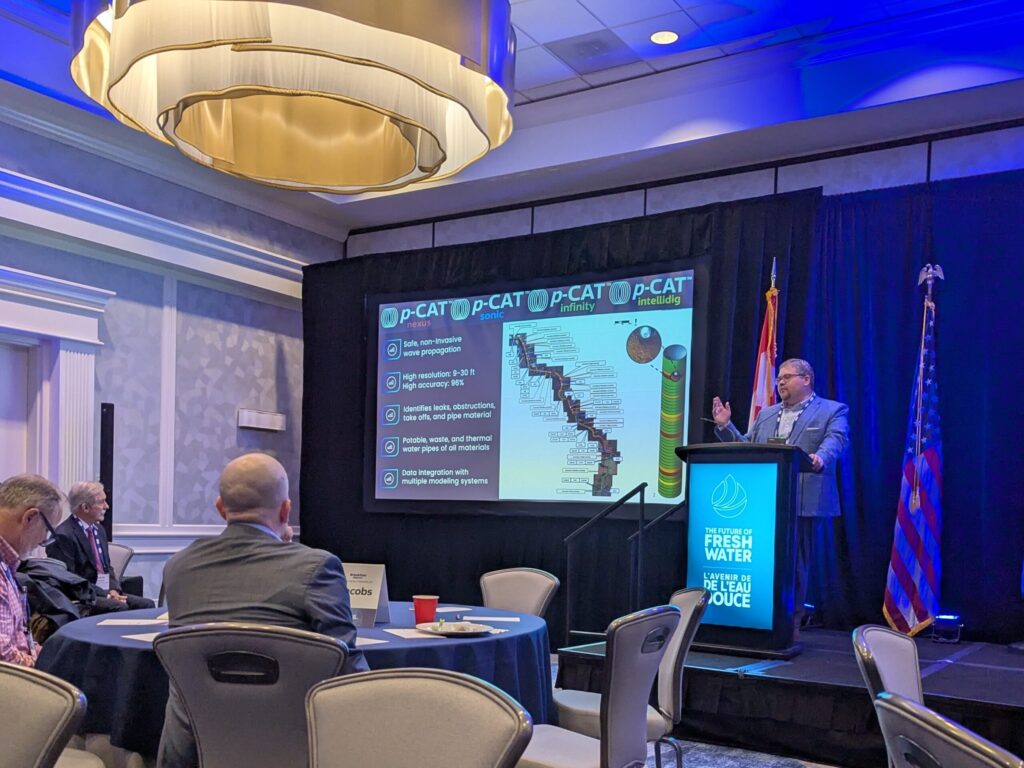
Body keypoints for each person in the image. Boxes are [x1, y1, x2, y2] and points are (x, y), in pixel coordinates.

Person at [157, 452, 367, 768]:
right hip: (299, 749)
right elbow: (347, 669)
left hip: (195, 750)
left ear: (220, 508)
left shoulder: (178, 568)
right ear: (285, 510)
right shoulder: (316, 567)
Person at [712, 358, 849, 637]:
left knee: (794, 565)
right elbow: (747, 448)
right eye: (778, 379)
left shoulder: (832, 410)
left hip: (802, 502)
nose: (780, 383)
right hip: (764, 502)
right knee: (763, 563)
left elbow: (836, 440)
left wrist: (820, 458)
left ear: (806, 379)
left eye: (787, 377)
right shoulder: (767, 414)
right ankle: (761, 620)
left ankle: (790, 626)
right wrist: (726, 427)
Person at [47, 481, 154, 612]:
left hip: (105, 592)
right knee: (120, 607)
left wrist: (114, 590)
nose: (107, 506)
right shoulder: (63, 536)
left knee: (147, 605)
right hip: (82, 596)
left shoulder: (99, 529)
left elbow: (107, 567)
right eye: (101, 502)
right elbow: (70, 580)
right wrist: (107, 595)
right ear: (85, 507)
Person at [0, 474, 63, 666]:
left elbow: (16, 639)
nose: (42, 543)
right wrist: (46, 666)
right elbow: (5, 661)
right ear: (30, 517)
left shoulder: (7, 563)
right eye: (46, 532)